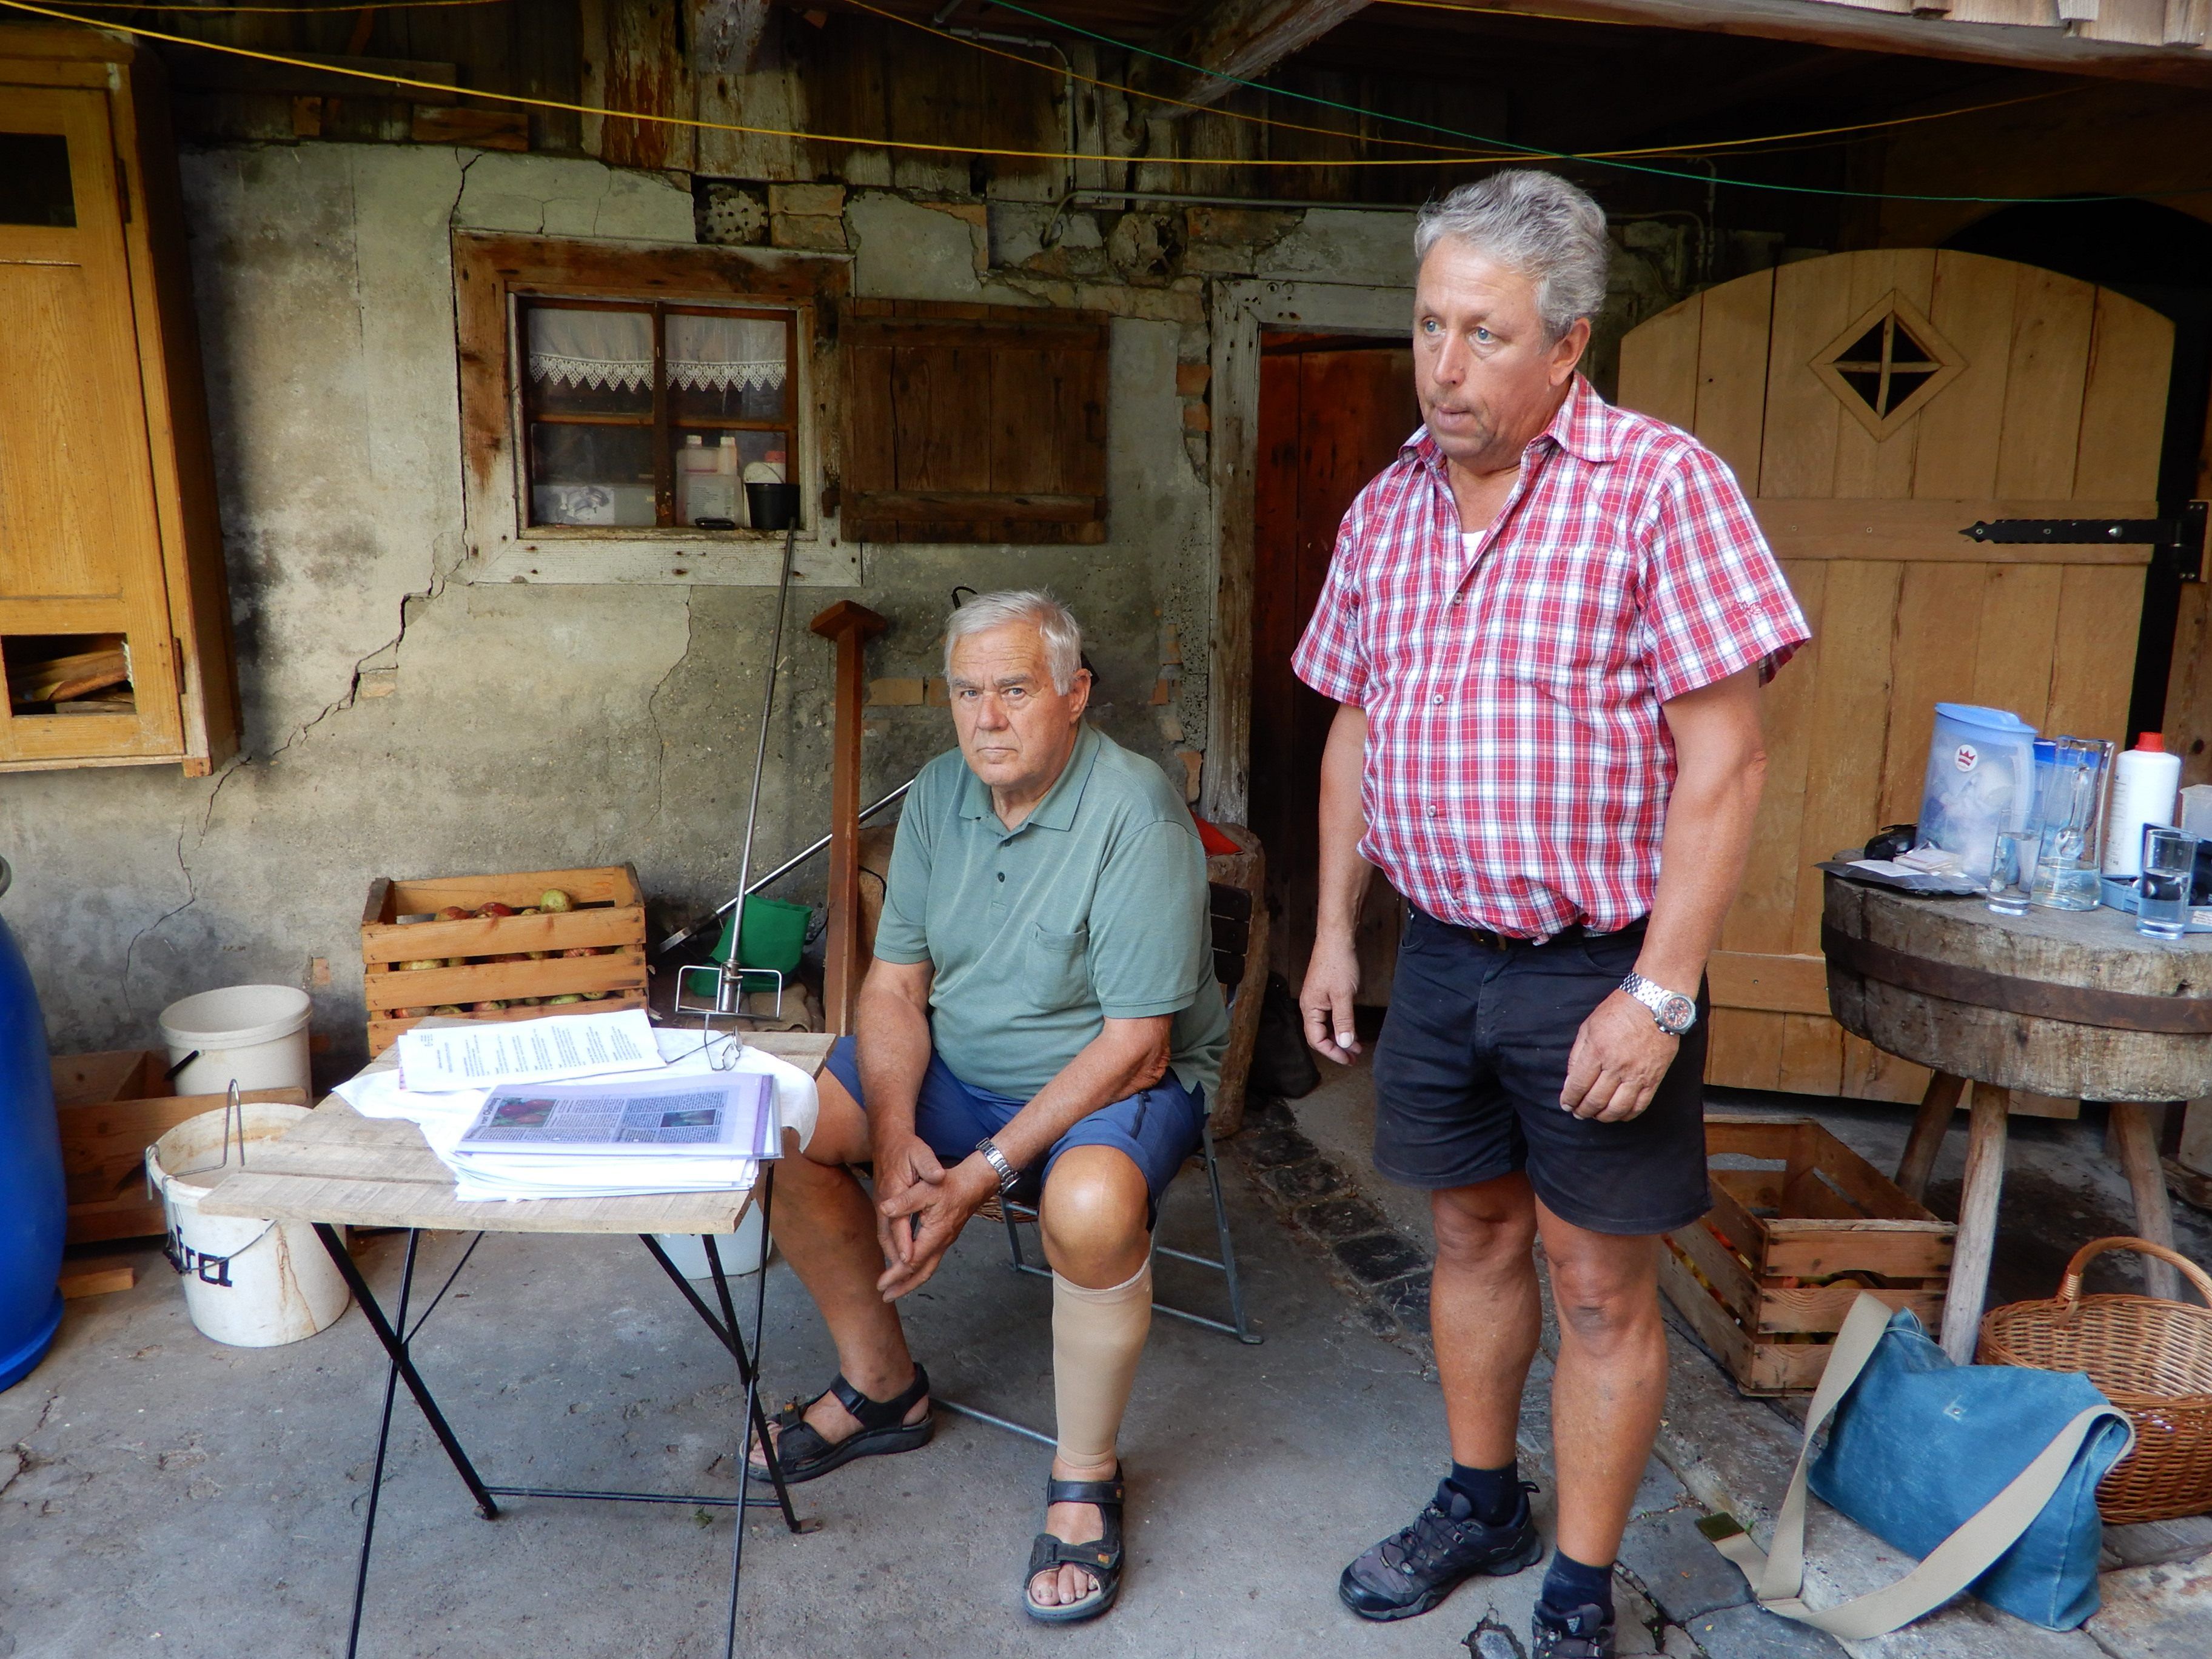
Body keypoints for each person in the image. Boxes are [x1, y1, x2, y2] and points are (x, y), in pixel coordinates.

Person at [1294, 171, 1809, 1659]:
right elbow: (1353, 727)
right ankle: (1482, 1500)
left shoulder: (1662, 485)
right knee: (1468, 1234)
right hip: (1446, 956)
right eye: (1428, 325)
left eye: (1485, 335)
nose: (1443, 366)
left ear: (1568, 344)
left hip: (1598, 964)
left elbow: (1730, 758)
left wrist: (1659, 994)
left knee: (1595, 1281)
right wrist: (1340, 931)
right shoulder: (1387, 505)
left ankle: (1579, 1591)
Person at [749, 589, 1229, 1625]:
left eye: (1016, 689)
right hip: (962, 1066)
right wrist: (893, 1131)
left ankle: (1085, 1479)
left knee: (1092, 1212)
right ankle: (882, 1386)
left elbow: (1137, 1046)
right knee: (776, 1127)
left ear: (1075, 694)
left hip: (1108, 1078)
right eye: (968, 692)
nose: (987, 718)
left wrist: (974, 1180)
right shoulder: (937, 794)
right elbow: (893, 987)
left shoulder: (1135, 809)